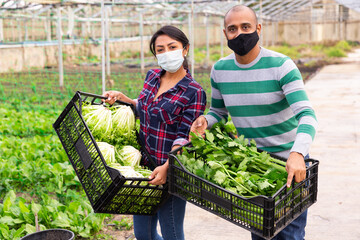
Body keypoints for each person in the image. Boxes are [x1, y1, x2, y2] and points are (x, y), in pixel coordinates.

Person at [190, 5, 317, 240]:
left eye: (245, 27)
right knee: (261, 235)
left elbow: (307, 115)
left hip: (288, 168)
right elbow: (218, 111)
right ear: (225, 34)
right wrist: (206, 121)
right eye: (232, 29)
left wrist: (298, 153)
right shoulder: (220, 70)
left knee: (290, 236)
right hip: (251, 169)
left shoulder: (281, 65)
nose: (239, 34)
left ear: (258, 28)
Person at [103, 25, 206, 240]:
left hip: (171, 173)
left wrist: (168, 167)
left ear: (185, 49)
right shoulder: (152, 76)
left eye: (172, 47)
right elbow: (146, 110)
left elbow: (186, 137)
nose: (166, 53)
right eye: (160, 49)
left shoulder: (194, 91)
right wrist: (125, 99)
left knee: (172, 232)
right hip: (143, 169)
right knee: (143, 234)